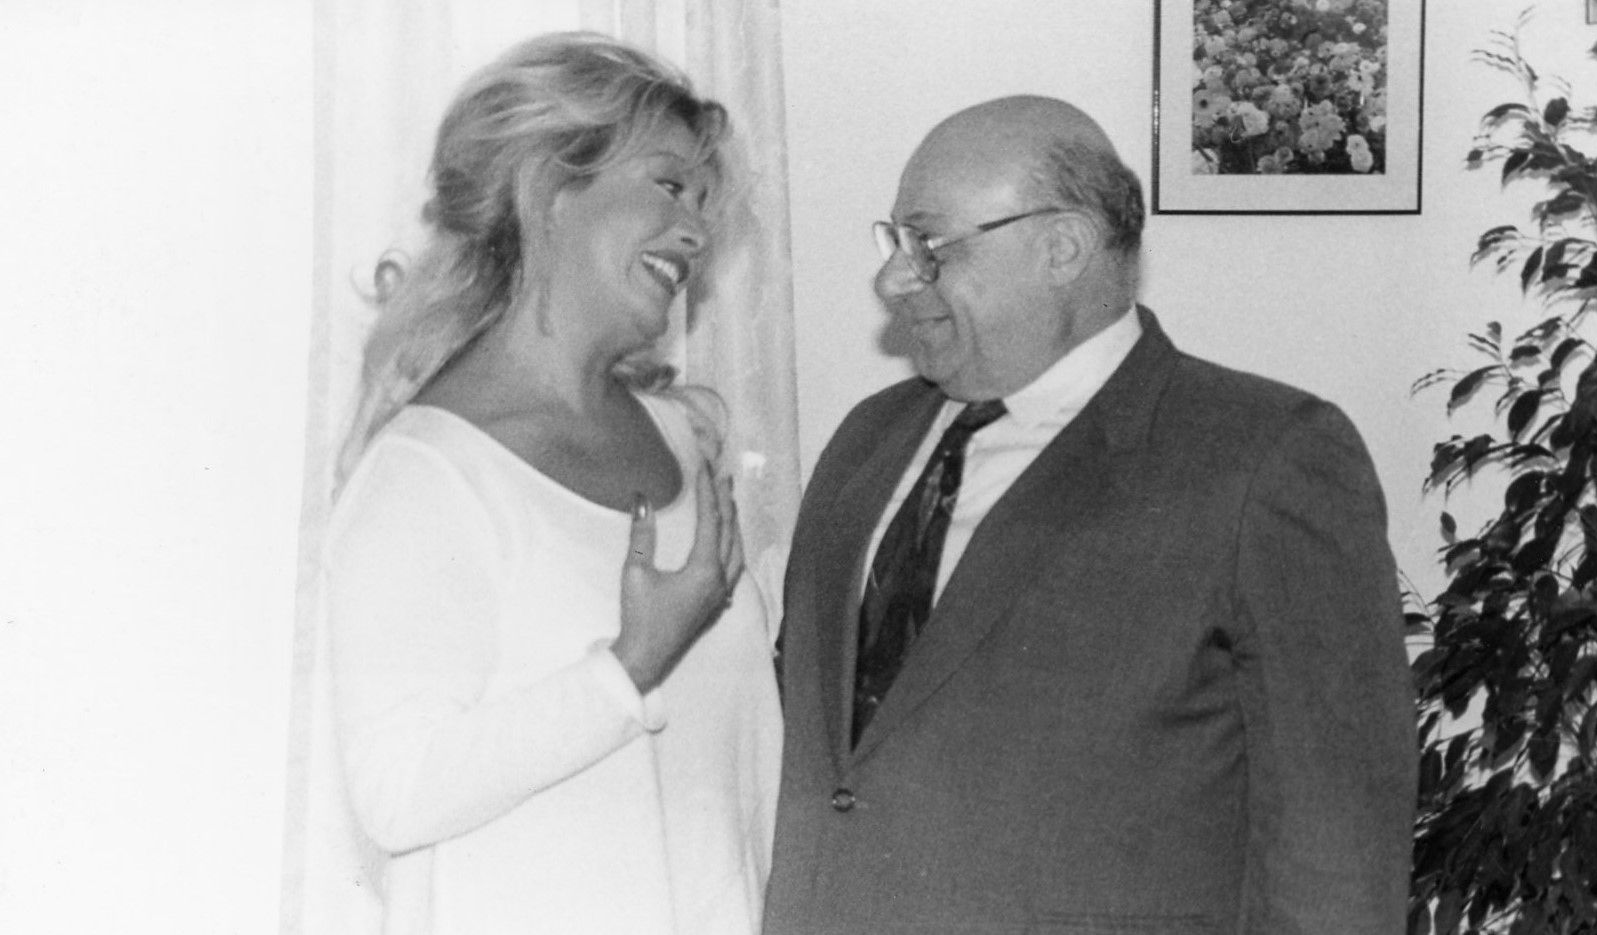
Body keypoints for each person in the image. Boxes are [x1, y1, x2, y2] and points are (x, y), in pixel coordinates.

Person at [763, 95, 1416, 934]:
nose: (891, 280)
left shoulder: (1265, 458)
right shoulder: (867, 440)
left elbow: (1337, 852)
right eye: (894, 244)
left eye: (927, 245)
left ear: (1062, 247)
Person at [320, 33, 780, 935]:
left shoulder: (684, 437)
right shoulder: (428, 474)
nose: (696, 231)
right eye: (668, 186)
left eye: (702, 201)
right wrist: (628, 666)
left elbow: (743, 769)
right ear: (548, 191)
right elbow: (396, 793)